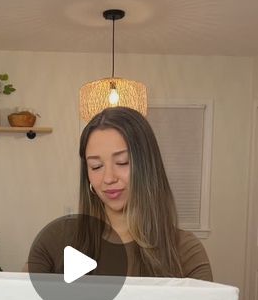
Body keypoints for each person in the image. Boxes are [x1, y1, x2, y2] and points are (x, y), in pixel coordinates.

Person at [23, 106, 212, 281]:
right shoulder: (56, 240)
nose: (108, 178)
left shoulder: (186, 251)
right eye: (96, 166)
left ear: (148, 166)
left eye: (122, 162)